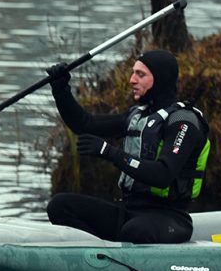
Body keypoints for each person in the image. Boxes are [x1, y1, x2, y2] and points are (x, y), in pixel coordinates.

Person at [45, 49, 211, 244]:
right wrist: (61, 90)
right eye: (133, 73)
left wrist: (109, 153)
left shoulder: (183, 121)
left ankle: (115, 259)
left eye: (140, 74)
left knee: (134, 230)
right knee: (59, 205)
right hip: (129, 211)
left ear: (160, 79)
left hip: (169, 218)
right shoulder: (137, 116)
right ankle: (99, 259)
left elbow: (163, 175)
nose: (132, 80)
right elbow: (84, 124)